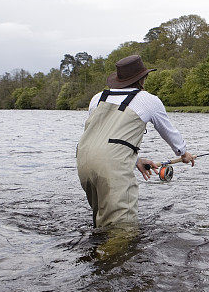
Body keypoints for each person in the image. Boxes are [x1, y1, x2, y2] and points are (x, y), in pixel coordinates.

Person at [76, 54, 194, 227]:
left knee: (100, 220)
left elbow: (102, 139)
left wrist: (135, 160)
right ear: (143, 78)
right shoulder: (148, 100)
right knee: (122, 228)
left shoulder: (97, 98)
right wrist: (183, 154)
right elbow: (170, 133)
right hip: (111, 164)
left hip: (83, 161)